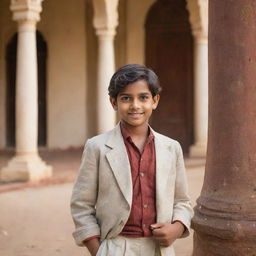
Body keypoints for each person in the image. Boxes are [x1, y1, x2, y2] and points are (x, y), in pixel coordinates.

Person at [70, 64, 193, 256]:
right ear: (113, 102)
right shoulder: (97, 147)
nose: (135, 105)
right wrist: (99, 250)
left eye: (143, 97)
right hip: (115, 246)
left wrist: (176, 228)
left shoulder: (171, 148)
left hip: (159, 248)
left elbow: (182, 201)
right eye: (126, 98)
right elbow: (81, 205)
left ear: (155, 100)